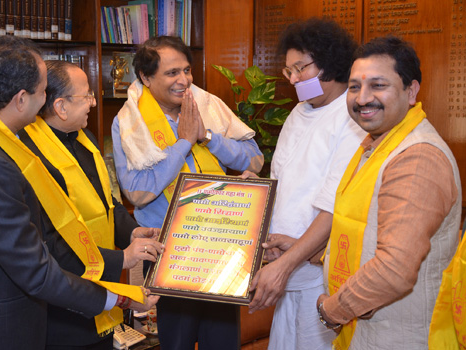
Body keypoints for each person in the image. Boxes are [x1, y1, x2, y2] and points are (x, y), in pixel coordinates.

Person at [0, 36, 158, 350]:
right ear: (21, 99)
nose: (45, 100)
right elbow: (35, 270)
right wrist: (120, 298)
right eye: (43, 91)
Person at [111, 35, 264, 350]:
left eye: (187, 71)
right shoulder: (129, 123)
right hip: (172, 251)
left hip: (221, 244)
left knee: (222, 340)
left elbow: (255, 160)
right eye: (172, 73)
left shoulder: (208, 106)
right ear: (145, 77)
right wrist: (183, 143)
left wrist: (207, 136)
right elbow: (137, 194)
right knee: (177, 341)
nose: (184, 81)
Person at [317, 36, 461, 350]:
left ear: (411, 92)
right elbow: (363, 226)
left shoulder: (417, 156)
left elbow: (394, 270)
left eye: (378, 85)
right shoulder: (377, 143)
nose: (362, 98)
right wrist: (318, 254)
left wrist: (331, 311)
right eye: (354, 87)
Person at [18, 60, 164, 349]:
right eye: (86, 96)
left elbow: (110, 203)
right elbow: (51, 240)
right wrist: (122, 259)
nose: (94, 103)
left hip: (104, 297)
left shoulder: (88, 140)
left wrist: (133, 233)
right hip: (63, 306)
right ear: (60, 106)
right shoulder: (30, 157)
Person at [246, 18, 366, 350]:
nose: (295, 78)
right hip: (285, 268)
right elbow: (281, 181)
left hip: (318, 274)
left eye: (302, 68)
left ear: (330, 62)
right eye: (289, 71)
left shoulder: (351, 116)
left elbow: (333, 206)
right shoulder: (299, 112)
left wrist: (285, 265)